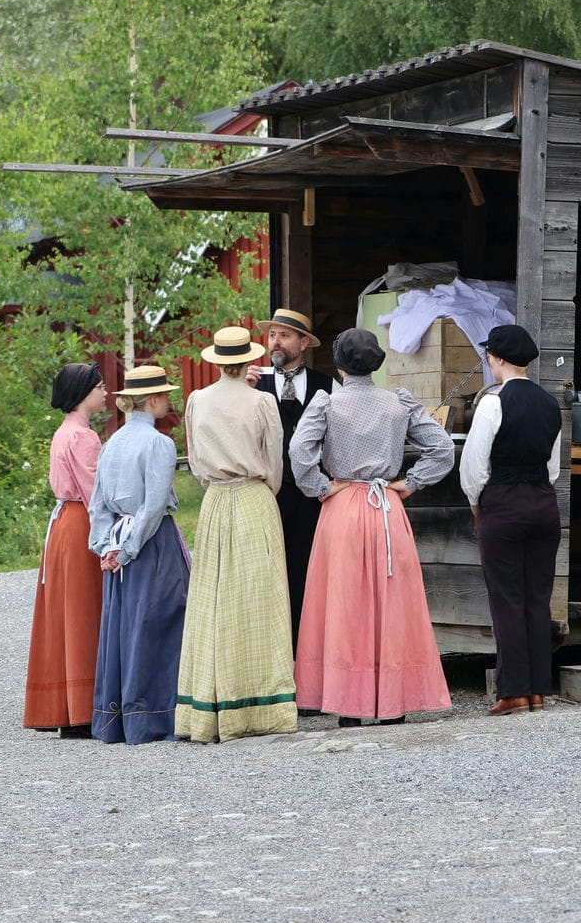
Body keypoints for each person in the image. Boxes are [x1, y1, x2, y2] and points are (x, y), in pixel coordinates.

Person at [289, 327, 455, 727]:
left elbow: (298, 452)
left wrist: (321, 488)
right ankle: (393, 703)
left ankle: (349, 704)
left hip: (342, 508)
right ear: (376, 363)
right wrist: (410, 483)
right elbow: (444, 449)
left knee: (345, 606)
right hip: (386, 509)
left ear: (339, 364)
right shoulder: (398, 402)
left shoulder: (326, 404)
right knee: (392, 604)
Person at [174, 326, 298, 743]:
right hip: (253, 498)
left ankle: (209, 704)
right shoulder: (262, 401)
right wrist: (263, 490)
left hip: (215, 502)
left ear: (216, 361)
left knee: (212, 599)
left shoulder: (196, 400)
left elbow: (194, 462)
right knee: (258, 599)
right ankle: (259, 702)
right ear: (248, 360)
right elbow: (274, 462)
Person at [459, 324, 563, 716]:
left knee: (507, 598)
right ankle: (538, 689)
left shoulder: (492, 403)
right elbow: (552, 467)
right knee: (537, 597)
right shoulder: (550, 403)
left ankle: (514, 690)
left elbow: (474, 467)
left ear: (497, 358)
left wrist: (476, 506)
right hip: (543, 502)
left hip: (503, 502)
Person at [87, 365, 190, 744]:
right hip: (150, 543)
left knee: (123, 624)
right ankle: (153, 715)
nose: (169, 399)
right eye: (165, 394)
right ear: (152, 400)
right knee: (160, 619)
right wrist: (127, 550)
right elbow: (153, 505)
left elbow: (98, 505)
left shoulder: (112, 441)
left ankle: (117, 718)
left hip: (118, 539)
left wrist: (106, 546)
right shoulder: (159, 444)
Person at [22, 363, 108, 738]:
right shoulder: (83, 437)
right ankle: (82, 708)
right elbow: (94, 492)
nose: (106, 392)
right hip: (80, 524)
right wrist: (113, 533)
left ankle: (64, 706)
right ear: (83, 392)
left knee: (64, 611)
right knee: (83, 611)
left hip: (62, 526)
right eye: (100, 386)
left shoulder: (64, 432)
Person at [247, 307, 333, 648]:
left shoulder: (328, 386)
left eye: (284, 335)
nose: (275, 342)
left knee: (306, 572)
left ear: (303, 343)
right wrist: (245, 393)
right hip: (268, 494)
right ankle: (271, 650)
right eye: (271, 335)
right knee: (267, 574)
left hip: (311, 497)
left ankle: (306, 649)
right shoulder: (254, 383)